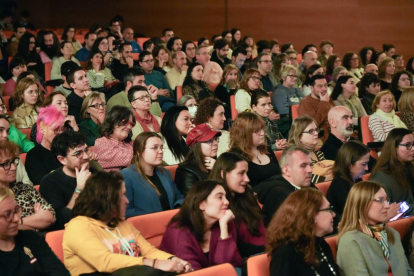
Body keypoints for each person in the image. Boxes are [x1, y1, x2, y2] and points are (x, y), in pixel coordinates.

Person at [63, 171, 192, 276]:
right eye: (122, 195)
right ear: (107, 200)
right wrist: (155, 264)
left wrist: (173, 260)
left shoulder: (121, 223)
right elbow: (105, 262)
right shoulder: (78, 226)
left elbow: (148, 251)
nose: (127, 201)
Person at [160, 180, 243, 272]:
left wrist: (224, 229)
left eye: (226, 197)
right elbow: (193, 273)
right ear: (201, 204)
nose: (227, 202)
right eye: (220, 197)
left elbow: (233, 265)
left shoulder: (225, 222)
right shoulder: (178, 232)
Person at [336, 181, 413, 276]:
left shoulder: (392, 233)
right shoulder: (350, 241)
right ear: (362, 203)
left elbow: (408, 271)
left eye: (387, 200)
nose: (387, 206)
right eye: (380, 200)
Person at [267, 188, 339, 275]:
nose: (334, 214)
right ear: (312, 215)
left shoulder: (320, 244)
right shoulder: (285, 254)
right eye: (328, 209)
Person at [0, 186, 69, 275]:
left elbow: (59, 272)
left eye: (16, 210)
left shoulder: (31, 238)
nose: (17, 218)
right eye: (7, 215)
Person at [209, 152, 266, 257]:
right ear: (223, 174)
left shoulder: (247, 195)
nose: (247, 179)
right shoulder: (216, 205)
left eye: (247, 173)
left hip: (265, 252)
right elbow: (235, 247)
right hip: (246, 260)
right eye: (241, 173)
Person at [122, 132, 184, 217]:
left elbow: (179, 197)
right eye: (154, 148)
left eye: (161, 147)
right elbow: (126, 210)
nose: (160, 151)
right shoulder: (126, 175)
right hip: (145, 227)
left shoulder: (165, 173)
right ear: (139, 151)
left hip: (171, 222)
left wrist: (177, 209)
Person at [40, 131, 92, 230]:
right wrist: (79, 188)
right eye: (78, 154)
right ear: (62, 159)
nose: (86, 156)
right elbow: (61, 222)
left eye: (86, 150)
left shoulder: (94, 173)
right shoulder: (50, 182)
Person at [0, 141, 56, 231]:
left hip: (38, 241)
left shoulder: (25, 188)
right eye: (6, 163)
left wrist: (18, 222)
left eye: (14, 161)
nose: (14, 167)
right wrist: (36, 220)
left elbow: (50, 217)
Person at [254, 147, 313, 226]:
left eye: (310, 165)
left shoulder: (308, 185)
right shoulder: (279, 194)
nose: (310, 170)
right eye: (303, 166)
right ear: (286, 170)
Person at [229, 112, 281, 188]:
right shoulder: (236, 156)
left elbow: (279, 174)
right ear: (245, 134)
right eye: (257, 131)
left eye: (262, 129)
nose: (262, 133)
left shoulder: (267, 150)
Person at [326, 141, 370, 228]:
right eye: (363, 164)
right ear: (349, 164)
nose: (367, 168)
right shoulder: (340, 184)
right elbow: (354, 215)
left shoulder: (357, 180)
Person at [371, 128, 414, 215]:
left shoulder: (410, 166)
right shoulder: (382, 175)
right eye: (408, 145)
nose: (413, 149)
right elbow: (387, 208)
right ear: (394, 148)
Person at [175, 124, 221, 195]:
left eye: (215, 139)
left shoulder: (217, 163)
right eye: (209, 141)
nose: (215, 143)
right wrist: (217, 171)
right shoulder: (186, 171)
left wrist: (218, 169)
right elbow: (194, 200)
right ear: (197, 146)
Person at [25, 106, 64, 184]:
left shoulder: (66, 149)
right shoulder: (33, 155)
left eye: (62, 129)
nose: (60, 133)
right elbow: (43, 183)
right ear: (42, 130)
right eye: (56, 130)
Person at [288, 116, 333, 183]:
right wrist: (330, 178)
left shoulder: (319, 153)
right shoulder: (295, 156)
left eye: (316, 130)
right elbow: (304, 178)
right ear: (299, 136)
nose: (316, 133)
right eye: (311, 131)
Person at [94, 106, 135, 172]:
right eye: (125, 122)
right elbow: (132, 159)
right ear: (113, 121)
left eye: (131, 124)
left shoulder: (131, 143)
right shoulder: (101, 143)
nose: (129, 127)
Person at [298, 75, 334, 141]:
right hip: (321, 136)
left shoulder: (328, 99)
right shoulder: (306, 102)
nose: (324, 89)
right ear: (312, 88)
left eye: (325, 85)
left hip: (336, 131)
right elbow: (310, 126)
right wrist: (324, 103)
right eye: (320, 86)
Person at [272, 65, 304, 137]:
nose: (294, 78)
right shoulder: (279, 91)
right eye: (291, 76)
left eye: (295, 76)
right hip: (286, 121)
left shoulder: (296, 90)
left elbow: (305, 104)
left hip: (299, 119)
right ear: (283, 77)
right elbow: (283, 110)